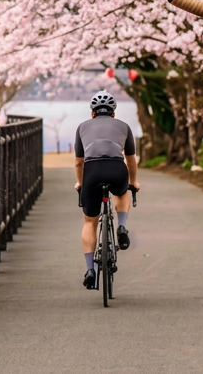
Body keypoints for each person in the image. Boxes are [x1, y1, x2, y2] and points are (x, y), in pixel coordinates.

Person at [73, 92, 140, 290]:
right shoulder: (124, 127)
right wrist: (133, 181)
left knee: (89, 221)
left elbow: (78, 162)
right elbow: (130, 159)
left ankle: (90, 271)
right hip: (117, 170)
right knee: (121, 192)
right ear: (113, 113)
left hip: (92, 172)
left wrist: (81, 183)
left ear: (92, 113)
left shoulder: (82, 127)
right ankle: (121, 226)